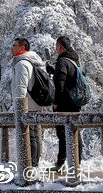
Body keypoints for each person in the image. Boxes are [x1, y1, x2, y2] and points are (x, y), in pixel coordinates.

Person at [46, 35, 83, 170]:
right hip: (75, 101)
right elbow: (69, 77)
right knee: (74, 130)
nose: (56, 49)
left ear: (60, 47)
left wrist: (55, 102)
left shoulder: (62, 61)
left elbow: (60, 84)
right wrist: (53, 70)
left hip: (64, 103)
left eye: (56, 46)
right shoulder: (74, 60)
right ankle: (77, 162)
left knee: (62, 132)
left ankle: (61, 163)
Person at [11, 37, 46, 167]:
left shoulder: (22, 64)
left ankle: (30, 165)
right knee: (35, 136)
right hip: (35, 103)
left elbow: (21, 86)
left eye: (14, 45)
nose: (12, 48)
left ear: (22, 47)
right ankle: (34, 164)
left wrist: (18, 107)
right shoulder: (33, 62)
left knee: (30, 137)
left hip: (27, 106)